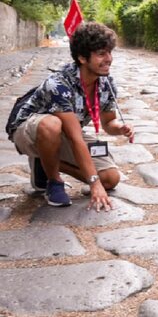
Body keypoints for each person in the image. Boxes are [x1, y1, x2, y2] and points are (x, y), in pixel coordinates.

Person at [6, 22, 132, 211]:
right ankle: (54, 182)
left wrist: (119, 128)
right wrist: (93, 184)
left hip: (63, 133)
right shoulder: (58, 84)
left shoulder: (106, 83)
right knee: (51, 124)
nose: (109, 59)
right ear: (82, 58)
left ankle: (44, 161)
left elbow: (108, 122)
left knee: (110, 179)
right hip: (28, 130)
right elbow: (75, 138)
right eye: (101, 54)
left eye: (109, 52)